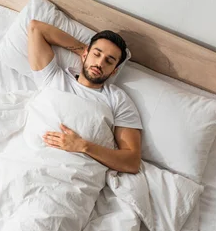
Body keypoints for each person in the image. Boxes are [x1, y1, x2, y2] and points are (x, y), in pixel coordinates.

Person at [27, 19, 142, 174]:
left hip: (73, 171)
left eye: (109, 61)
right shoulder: (54, 77)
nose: (100, 63)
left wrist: (82, 146)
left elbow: (132, 162)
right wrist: (84, 51)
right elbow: (36, 28)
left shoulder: (118, 99)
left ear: (114, 71)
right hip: (30, 158)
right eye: (97, 54)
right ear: (85, 54)